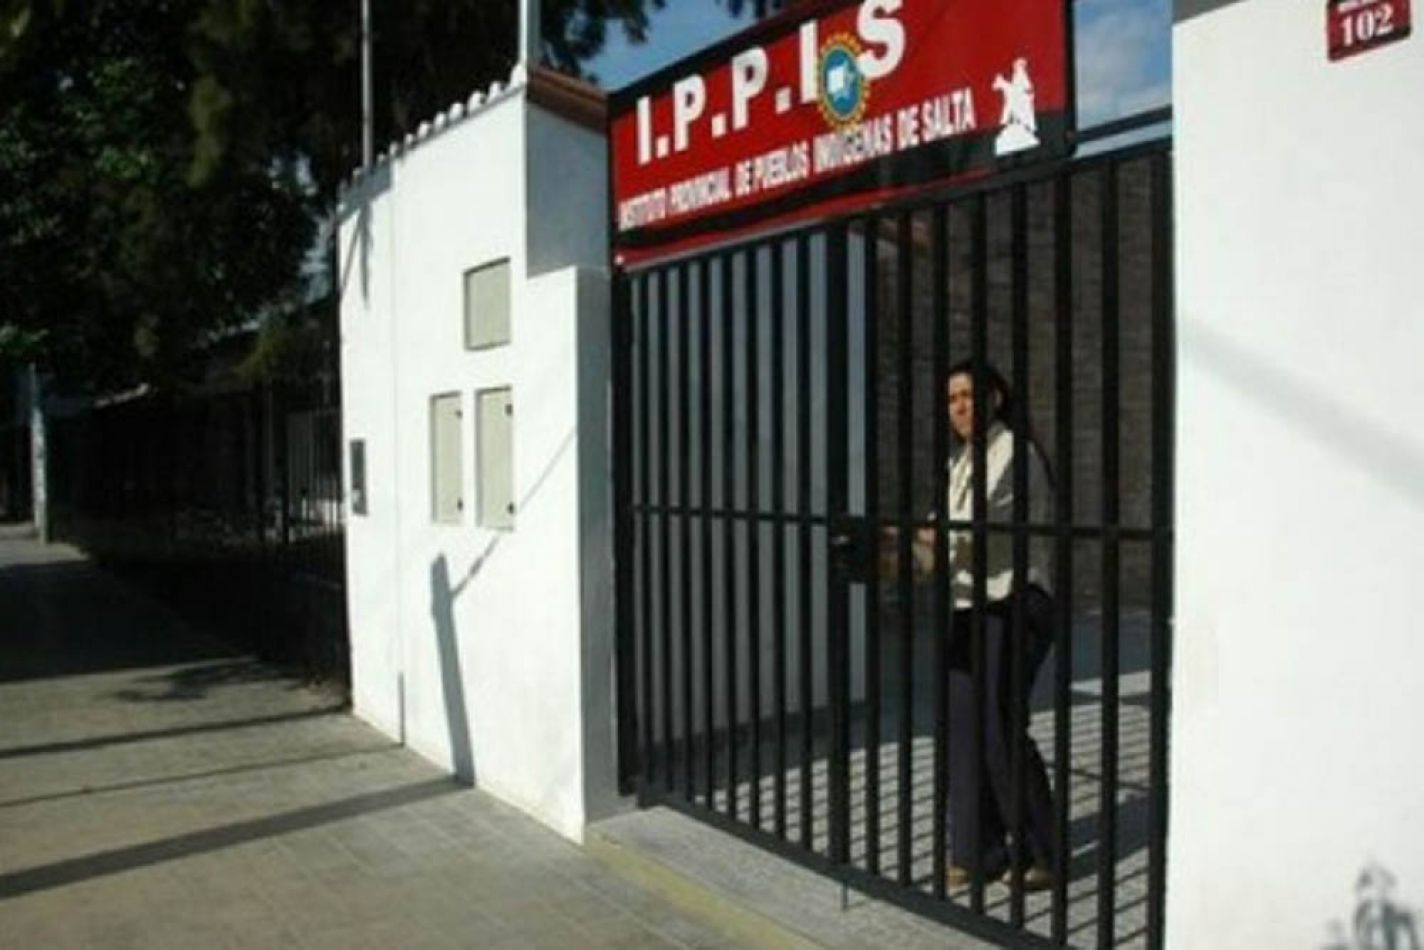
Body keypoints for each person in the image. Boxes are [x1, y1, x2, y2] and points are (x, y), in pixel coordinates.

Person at [912, 359, 1058, 892]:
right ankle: (978, 851)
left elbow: (969, 525)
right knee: (962, 728)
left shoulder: (1015, 453)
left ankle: (1043, 850)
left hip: (1014, 601)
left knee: (999, 727)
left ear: (995, 397)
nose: (960, 407)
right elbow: (940, 535)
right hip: (969, 606)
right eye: (952, 399)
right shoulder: (960, 460)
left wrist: (921, 541)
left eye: (969, 395)